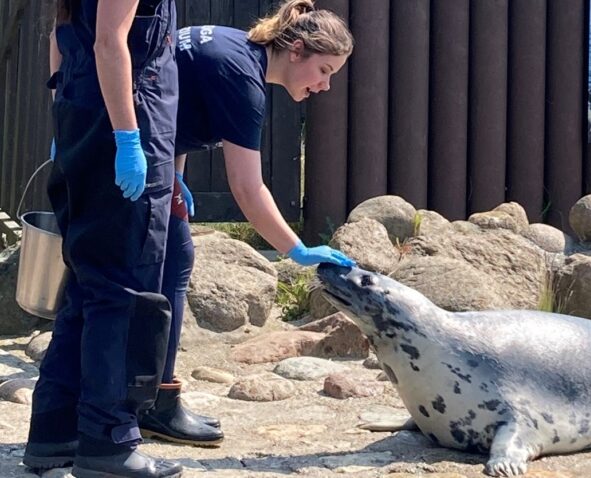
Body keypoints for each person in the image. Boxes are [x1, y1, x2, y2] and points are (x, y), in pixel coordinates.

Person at [134, 0, 356, 446]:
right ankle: (153, 402)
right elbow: (247, 189)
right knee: (173, 263)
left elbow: (175, 106)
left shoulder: (234, 48)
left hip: (135, 141)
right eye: (325, 70)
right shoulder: (243, 80)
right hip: (129, 150)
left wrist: (175, 175)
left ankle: (134, 396)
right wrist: (297, 249)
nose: (326, 85)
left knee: (156, 266)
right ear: (296, 51)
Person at [24, 0, 185, 477]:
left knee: (87, 282)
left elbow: (62, 34)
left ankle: (55, 432)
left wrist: (65, 117)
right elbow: (109, 42)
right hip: (124, 118)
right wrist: (128, 139)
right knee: (122, 289)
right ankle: (109, 442)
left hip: (83, 117)